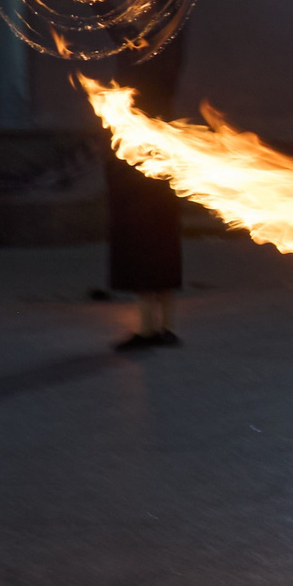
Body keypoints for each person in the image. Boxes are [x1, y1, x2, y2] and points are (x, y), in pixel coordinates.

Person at [104, 33, 187, 351]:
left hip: (147, 186)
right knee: (155, 255)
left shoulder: (154, 86)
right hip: (145, 184)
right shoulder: (150, 82)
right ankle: (159, 327)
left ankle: (154, 329)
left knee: (151, 254)